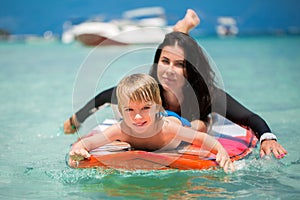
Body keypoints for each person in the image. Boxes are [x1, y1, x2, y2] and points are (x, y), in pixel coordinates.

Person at [64, 9, 287, 159]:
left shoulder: (207, 94)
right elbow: (107, 96)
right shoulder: (149, 89)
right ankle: (180, 30)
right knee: (173, 46)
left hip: (189, 122)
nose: (170, 70)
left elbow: (249, 118)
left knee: (200, 123)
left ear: (190, 69)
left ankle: (182, 30)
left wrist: (268, 137)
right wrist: (78, 118)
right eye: (165, 62)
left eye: (180, 65)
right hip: (166, 120)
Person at [69, 73, 235, 172]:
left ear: (157, 106)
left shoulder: (168, 129)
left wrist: (220, 151)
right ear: (121, 112)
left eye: (145, 108)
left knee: (198, 127)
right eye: (129, 110)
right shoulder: (121, 129)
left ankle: (206, 119)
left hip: (175, 121)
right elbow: (88, 143)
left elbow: (201, 139)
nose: (138, 117)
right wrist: (78, 151)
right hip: (156, 116)